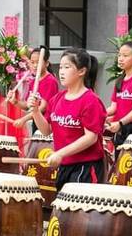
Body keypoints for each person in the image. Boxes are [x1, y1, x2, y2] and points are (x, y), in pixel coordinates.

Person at [29, 48, 106, 190]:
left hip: (86, 167)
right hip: (65, 165)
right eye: (60, 67)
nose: (61, 71)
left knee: (78, 210)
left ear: (81, 71)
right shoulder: (57, 99)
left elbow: (91, 138)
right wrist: (35, 111)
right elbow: (46, 130)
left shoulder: (91, 101)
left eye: (67, 67)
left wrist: (60, 153)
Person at [9, 46, 59, 132]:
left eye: (38, 62)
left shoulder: (50, 81)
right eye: (32, 62)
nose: (35, 66)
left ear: (46, 63)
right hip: (36, 122)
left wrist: (24, 119)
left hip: (47, 123)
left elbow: (43, 107)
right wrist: (15, 102)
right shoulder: (33, 81)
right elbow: (29, 106)